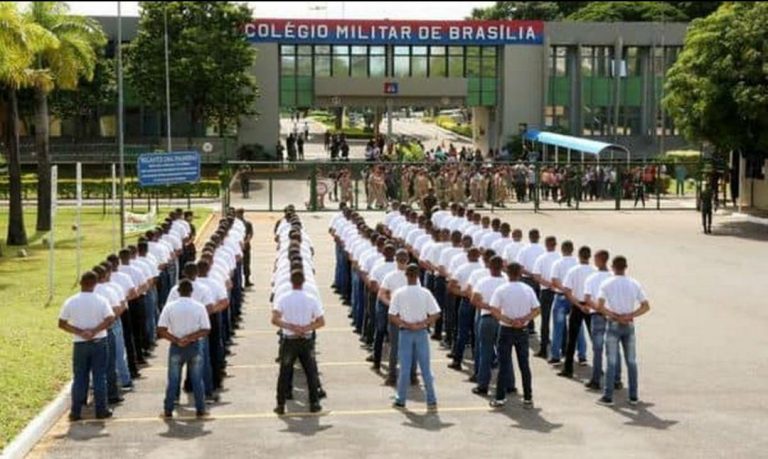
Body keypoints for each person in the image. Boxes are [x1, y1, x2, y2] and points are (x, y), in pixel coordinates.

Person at [59, 271, 116, 421]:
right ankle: (101, 410)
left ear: (80, 283)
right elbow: (110, 319)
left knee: (79, 377)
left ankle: (76, 411)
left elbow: (62, 323)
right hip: (99, 341)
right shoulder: (101, 300)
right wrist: (95, 330)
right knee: (99, 376)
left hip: (80, 343)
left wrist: (80, 332)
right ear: (95, 284)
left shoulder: (71, 301)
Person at [596, 256, 650, 407]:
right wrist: (630, 315)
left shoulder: (606, 283)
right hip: (629, 324)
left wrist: (614, 316)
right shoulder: (634, 283)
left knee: (611, 361)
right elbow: (645, 306)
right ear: (625, 267)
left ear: (612, 267)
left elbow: (599, 306)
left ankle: (608, 396)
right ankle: (633, 396)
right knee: (631, 361)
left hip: (613, 323)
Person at [272, 270, 325, 415]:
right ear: (303, 282)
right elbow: (321, 321)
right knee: (310, 372)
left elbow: (275, 319)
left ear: (291, 282)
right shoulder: (311, 298)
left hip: (289, 340)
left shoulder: (283, 298)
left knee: (284, 373)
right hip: (306, 339)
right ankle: (314, 403)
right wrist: (306, 328)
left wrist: (291, 327)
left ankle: (280, 404)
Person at [389, 264, 441, 410]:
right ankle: (431, 398)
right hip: (421, 332)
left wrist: (406, 324)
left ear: (406, 275)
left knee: (405, 368)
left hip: (405, 331)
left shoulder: (399, 293)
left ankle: (401, 399)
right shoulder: (425, 293)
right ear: (418, 275)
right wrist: (422, 324)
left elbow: (392, 315)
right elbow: (436, 313)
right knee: (425, 367)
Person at [489, 262, 540, 408]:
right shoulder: (527, 289)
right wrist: (523, 320)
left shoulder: (501, 289)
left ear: (507, 272)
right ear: (520, 273)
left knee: (504, 364)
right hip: (522, 330)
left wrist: (509, 320)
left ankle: (500, 398)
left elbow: (494, 310)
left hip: (506, 329)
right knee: (524, 365)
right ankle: (528, 398)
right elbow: (536, 309)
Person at [157, 279, 211, 418]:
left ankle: (168, 410)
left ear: (178, 291)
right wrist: (190, 337)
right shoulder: (199, 307)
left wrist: (177, 339)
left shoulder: (170, 307)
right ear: (191, 291)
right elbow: (206, 329)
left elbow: (161, 329)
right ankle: (201, 409)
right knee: (197, 380)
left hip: (176, 346)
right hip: (194, 346)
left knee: (173, 380)